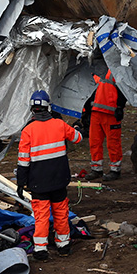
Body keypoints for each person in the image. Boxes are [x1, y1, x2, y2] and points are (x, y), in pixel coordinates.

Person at [16, 90, 82, 261]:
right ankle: (64, 246)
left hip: (38, 183)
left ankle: (40, 250)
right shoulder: (60, 125)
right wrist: (77, 128)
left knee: (41, 217)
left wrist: (21, 183)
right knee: (61, 214)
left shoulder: (27, 131)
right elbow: (78, 138)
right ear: (48, 107)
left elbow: (23, 161)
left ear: (32, 109)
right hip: (59, 180)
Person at [88, 69, 127, 181]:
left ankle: (115, 170)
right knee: (94, 142)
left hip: (111, 113)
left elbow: (123, 90)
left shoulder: (115, 71)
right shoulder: (97, 72)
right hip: (96, 112)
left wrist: (120, 107)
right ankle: (96, 168)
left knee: (113, 142)